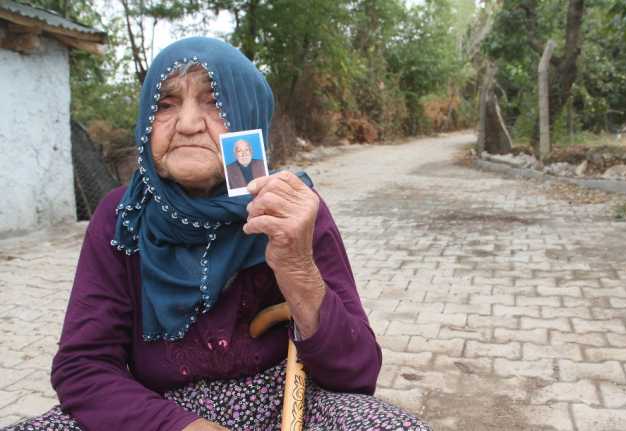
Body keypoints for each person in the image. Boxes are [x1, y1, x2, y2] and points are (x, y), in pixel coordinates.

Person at [3, 37, 430, 431]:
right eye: (166, 104)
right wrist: (183, 428)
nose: (187, 123)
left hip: (288, 405)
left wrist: (298, 269)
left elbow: (356, 372)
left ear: (248, 118)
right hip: (154, 410)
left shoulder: (292, 209)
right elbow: (82, 369)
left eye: (214, 102)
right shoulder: (122, 215)